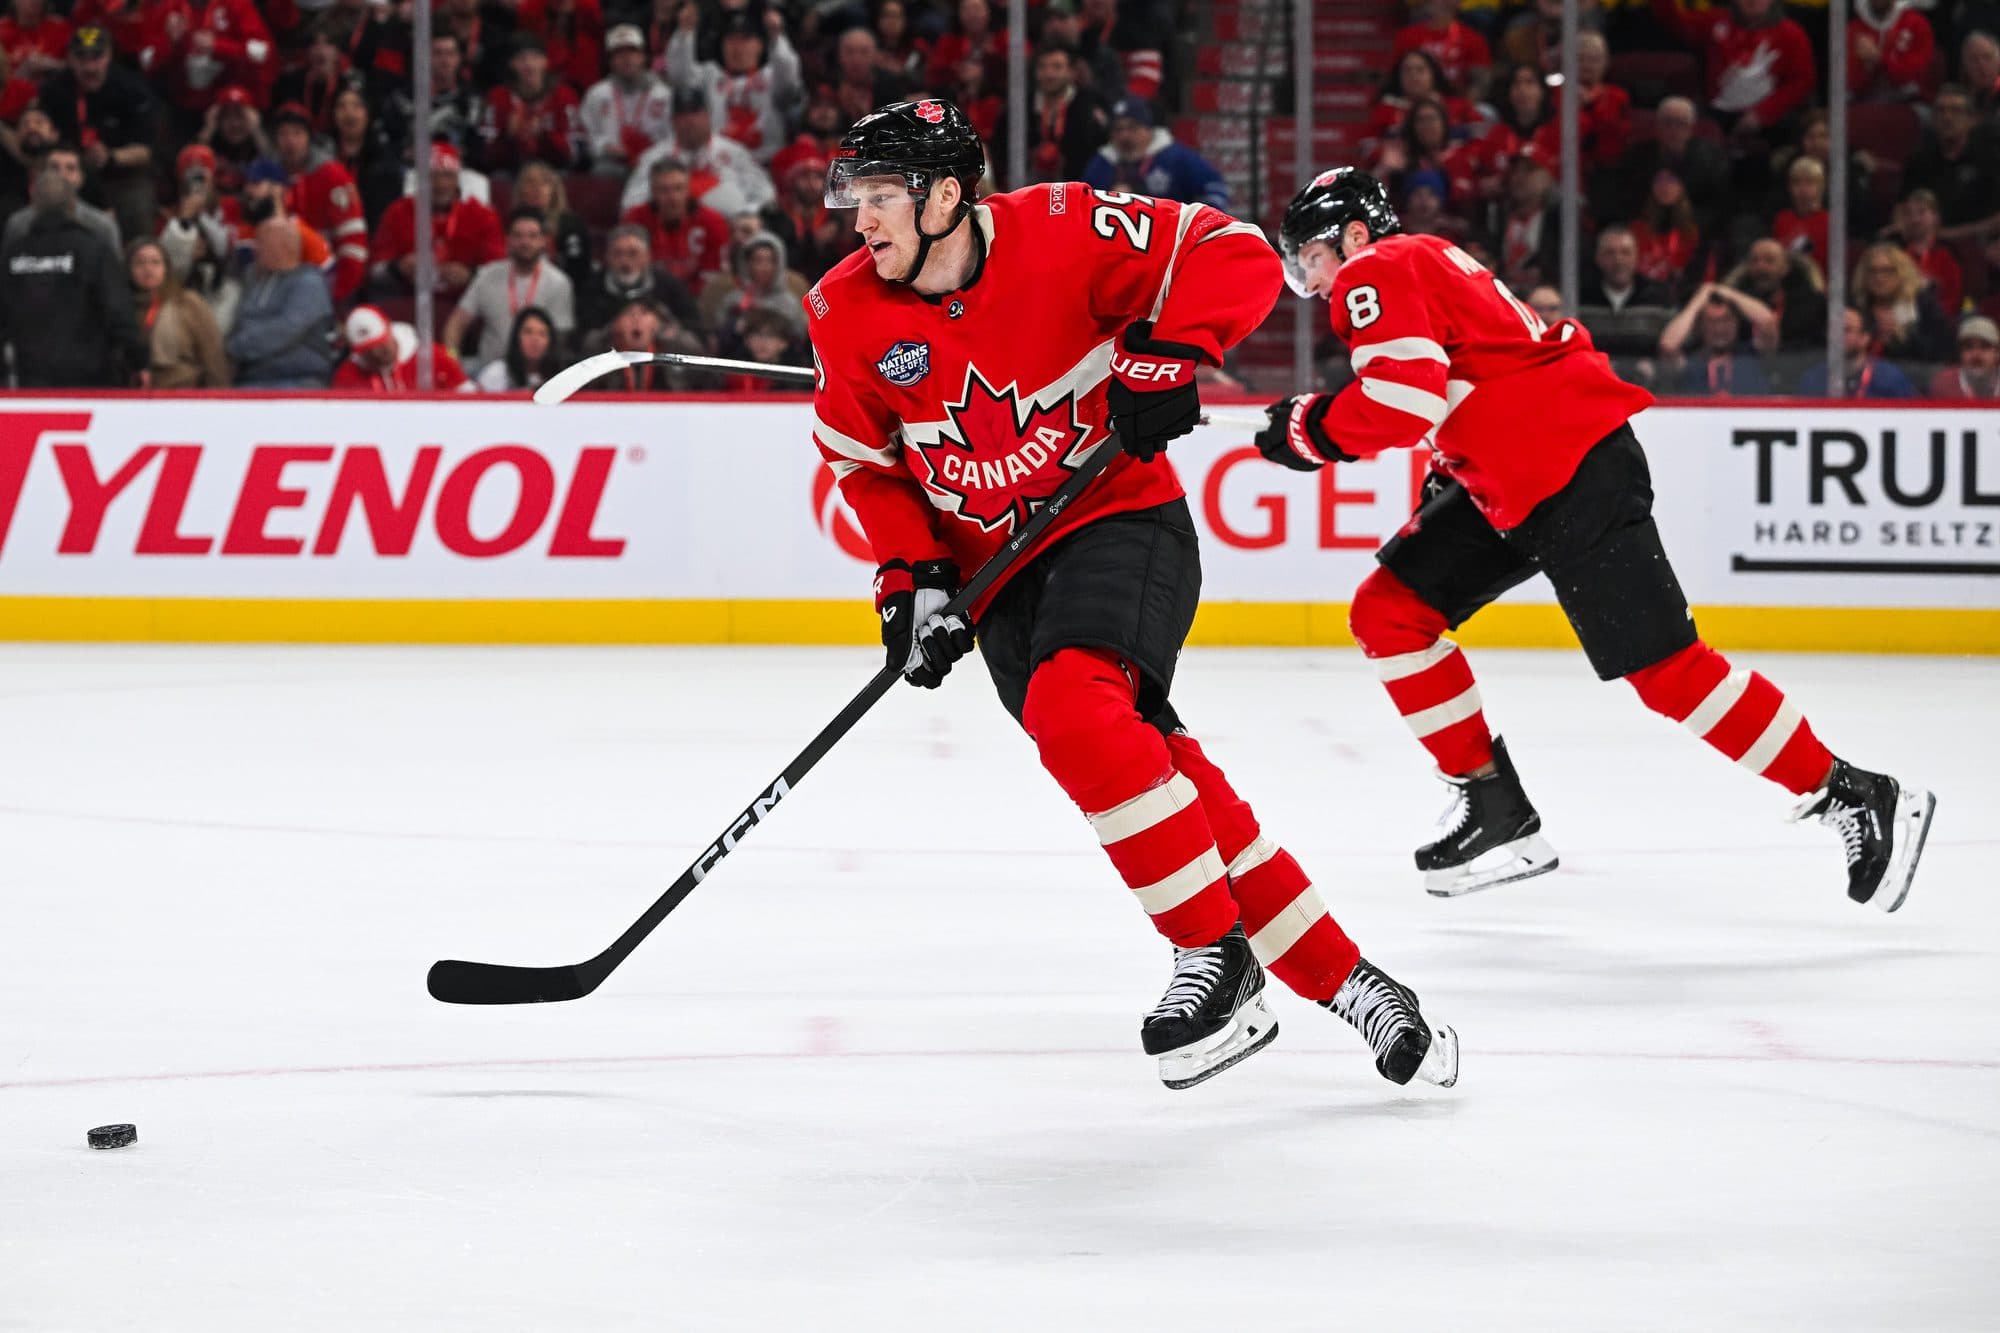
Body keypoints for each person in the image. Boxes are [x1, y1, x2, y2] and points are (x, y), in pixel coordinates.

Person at [808, 100, 1460, 1093]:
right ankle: (1354, 983)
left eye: (882, 197)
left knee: (1077, 714)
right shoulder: (844, 310)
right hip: (996, 584)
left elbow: (1229, 251)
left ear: (946, 195)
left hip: (1115, 520)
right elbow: (864, 466)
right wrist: (912, 579)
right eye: (855, 199)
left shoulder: (1064, 229)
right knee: (1167, 778)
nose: (862, 221)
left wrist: (1172, 351)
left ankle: (1213, 955)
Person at [1251, 167, 1933, 912]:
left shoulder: (1380, 266)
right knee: (1391, 611)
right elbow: (1467, 379)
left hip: (1570, 467)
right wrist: (1444, 466)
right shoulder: (1423, 260)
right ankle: (1493, 806)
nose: (1308, 282)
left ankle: (1853, 792)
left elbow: (1402, 398)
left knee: (1670, 673)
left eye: (1310, 258)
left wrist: (1307, 428)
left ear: (1353, 236)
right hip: (1512, 479)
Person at [0, 159, 144, 387]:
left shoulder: (12, 254)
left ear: (34, 205)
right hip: (91, 378)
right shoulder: (94, 250)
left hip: (30, 379)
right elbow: (118, 311)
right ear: (72, 205)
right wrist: (139, 361)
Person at [38, 26, 156, 243]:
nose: (89, 66)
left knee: (138, 205)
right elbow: (40, 135)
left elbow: (146, 150)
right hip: (68, 173)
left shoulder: (131, 88)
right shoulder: (54, 89)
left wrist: (112, 156)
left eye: (97, 56)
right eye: (81, 57)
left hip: (121, 175)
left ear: (109, 54)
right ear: (70, 58)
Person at [446, 205, 577, 373]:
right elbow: (455, 326)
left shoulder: (559, 283)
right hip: (488, 373)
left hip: (537, 376)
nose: (525, 242)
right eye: (518, 236)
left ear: (544, 240)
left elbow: (560, 340)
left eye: (532, 236)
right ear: (508, 239)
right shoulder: (487, 275)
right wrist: (453, 360)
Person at [664, 6, 800, 164]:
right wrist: (685, 32)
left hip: (766, 162)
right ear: (722, 45)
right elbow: (679, 77)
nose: (737, 47)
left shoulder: (772, 76)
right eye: (731, 40)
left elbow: (789, 78)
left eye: (745, 40)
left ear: (760, 46)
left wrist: (777, 36)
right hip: (722, 164)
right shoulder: (710, 75)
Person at [370, 143, 505, 299]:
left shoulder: (484, 216)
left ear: (457, 179)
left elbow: (499, 274)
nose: (440, 184)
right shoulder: (397, 212)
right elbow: (374, 271)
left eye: (447, 175)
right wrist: (398, 268)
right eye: (432, 176)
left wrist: (471, 275)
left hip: (466, 306)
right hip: (408, 301)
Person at [271, 101, 368, 302]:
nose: (290, 142)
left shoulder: (333, 176)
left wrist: (338, 293)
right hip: (279, 286)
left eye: (297, 133)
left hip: (326, 282)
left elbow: (354, 245)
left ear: (309, 138)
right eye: (283, 134)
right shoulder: (266, 178)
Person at [623, 88, 774, 216]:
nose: (690, 121)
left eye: (696, 112)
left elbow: (766, 194)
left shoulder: (734, 152)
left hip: (731, 227)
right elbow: (630, 205)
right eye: (683, 115)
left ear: (708, 117)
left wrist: (744, 214)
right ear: (673, 121)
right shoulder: (654, 158)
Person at [226, 217, 337, 388]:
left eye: (261, 242)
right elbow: (239, 321)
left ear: (284, 246)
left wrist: (234, 348)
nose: (255, 248)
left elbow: (284, 330)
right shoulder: (253, 280)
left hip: (299, 379)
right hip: (249, 379)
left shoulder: (309, 282)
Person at [1083, 96, 1228, 209]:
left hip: (1173, 239)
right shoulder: (1102, 163)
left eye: (1132, 128)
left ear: (1148, 129)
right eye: (1118, 129)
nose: (1124, 136)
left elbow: (1214, 187)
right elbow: (1083, 204)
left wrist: (1203, 223)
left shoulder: (1175, 157)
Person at [127, 236, 229, 388]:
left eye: (155, 262)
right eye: (140, 263)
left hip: (183, 394)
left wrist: (218, 398)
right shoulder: (121, 308)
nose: (148, 269)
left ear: (166, 268)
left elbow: (213, 356)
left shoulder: (187, 303)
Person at [619, 155, 732, 290]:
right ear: (653, 192)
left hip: (697, 297)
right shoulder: (635, 220)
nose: (673, 197)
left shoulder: (713, 221)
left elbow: (713, 273)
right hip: (648, 293)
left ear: (688, 189)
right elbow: (628, 266)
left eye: (678, 188)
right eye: (664, 190)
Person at [478, 33, 584, 173]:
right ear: (511, 64)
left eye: (535, 58)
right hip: (510, 170)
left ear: (545, 61)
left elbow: (575, 154)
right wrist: (507, 135)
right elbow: (485, 155)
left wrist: (544, 136)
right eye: (521, 59)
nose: (528, 65)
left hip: (554, 169)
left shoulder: (564, 96)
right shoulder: (498, 97)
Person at [1009, 42, 1108, 186]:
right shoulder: (1021, 106)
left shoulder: (1089, 104)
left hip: (1077, 187)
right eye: (1043, 67)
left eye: (1057, 67)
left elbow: (1097, 147)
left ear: (1071, 71)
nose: (1049, 74)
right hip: (1027, 188)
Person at [582, 23, 672, 177]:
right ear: (610, 60)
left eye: (632, 51)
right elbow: (586, 135)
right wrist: (605, 147)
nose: (627, 58)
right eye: (619, 53)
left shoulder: (663, 95)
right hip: (610, 164)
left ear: (643, 56)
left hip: (654, 165)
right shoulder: (596, 94)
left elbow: (672, 138)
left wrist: (651, 151)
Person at [1853, 240, 1957, 372]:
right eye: (1873, 271)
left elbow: (1940, 349)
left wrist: (1901, 336)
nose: (1879, 278)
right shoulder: (1857, 307)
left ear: (1902, 273)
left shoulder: (1922, 304)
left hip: (1913, 377)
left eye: (1887, 271)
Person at [1654, 282, 1774, 395]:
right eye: (1711, 321)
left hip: (1752, 415)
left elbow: (1767, 321)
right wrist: (1699, 300)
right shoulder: (1690, 359)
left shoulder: (1752, 352)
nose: (1719, 328)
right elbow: (1668, 345)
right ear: (1699, 326)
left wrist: (1728, 293)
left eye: (1726, 320)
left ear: (1736, 322)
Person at [3, 142, 119, 252]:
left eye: (70, 168)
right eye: (54, 167)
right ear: (40, 174)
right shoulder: (17, 224)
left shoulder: (103, 226)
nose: (62, 175)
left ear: (81, 178)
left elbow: (114, 270)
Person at [333, 303, 470, 391]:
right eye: (367, 350)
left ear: (389, 330)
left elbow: (468, 395)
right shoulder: (348, 373)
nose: (375, 353)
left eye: (380, 344)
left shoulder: (432, 357)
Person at [1797, 305, 1918, 398]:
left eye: (1846, 330)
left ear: (1865, 338)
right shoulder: (1814, 378)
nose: (1837, 335)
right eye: (1833, 329)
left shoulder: (1890, 379)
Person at [512, 160, 593, 290]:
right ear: (520, 189)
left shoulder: (571, 224)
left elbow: (579, 272)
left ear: (554, 190)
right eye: (530, 182)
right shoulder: (509, 223)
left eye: (544, 182)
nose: (537, 188)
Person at [1891, 188, 1965, 317]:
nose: (1915, 219)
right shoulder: (1894, 254)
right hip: (1900, 321)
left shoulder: (1950, 254)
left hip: (1940, 322)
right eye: (1908, 214)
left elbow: (1954, 300)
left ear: (1935, 217)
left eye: (1921, 212)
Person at [1848, 0, 1936, 103]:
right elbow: (1849, 82)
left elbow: (1915, 75)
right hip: (1864, 102)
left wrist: (1880, 59)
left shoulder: (1917, 24)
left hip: (1909, 102)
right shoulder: (1854, 28)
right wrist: (1866, 68)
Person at [475, 304, 562, 392]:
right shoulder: (496, 374)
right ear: (516, 338)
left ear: (551, 342)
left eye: (542, 334)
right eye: (528, 332)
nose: (535, 339)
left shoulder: (561, 378)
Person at [1773, 155, 1830, 274]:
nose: (1802, 189)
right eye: (1797, 182)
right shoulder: (1782, 219)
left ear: (1821, 186)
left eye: (1810, 182)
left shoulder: (1830, 221)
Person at [1929, 314, 2000, 398]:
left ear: (1997, 352)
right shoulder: (1943, 385)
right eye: (1968, 347)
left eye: (1984, 346)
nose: (1976, 354)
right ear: (1960, 353)